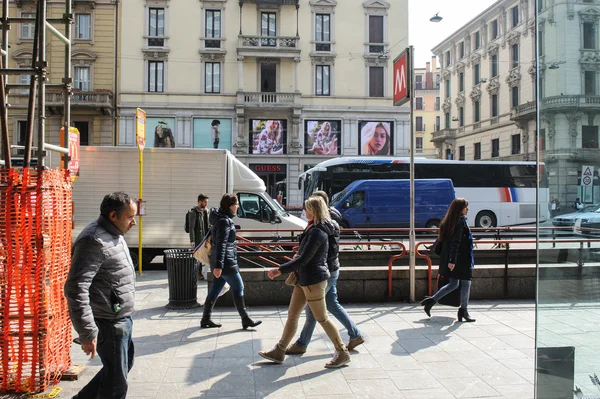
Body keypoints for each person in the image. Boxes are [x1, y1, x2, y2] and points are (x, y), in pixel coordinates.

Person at [259, 196, 351, 368]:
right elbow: (304, 256)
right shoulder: (316, 228)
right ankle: (279, 350)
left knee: (322, 318)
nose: (304, 212)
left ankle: (342, 351)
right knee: (292, 315)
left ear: (314, 210)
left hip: (313, 280)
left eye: (307, 209)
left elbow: (304, 259)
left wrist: (279, 269)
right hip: (304, 279)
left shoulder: (318, 231)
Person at [64, 192, 138, 399]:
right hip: (108, 321)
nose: (134, 222)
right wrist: (87, 333)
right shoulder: (93, 240)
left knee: (121, 367)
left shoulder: (114, 234)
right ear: (113, 215)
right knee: (116, 386)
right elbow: (75, 287)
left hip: (120, 317)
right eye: (130, 217)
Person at [285, 191, 364, 356]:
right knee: (331, 305)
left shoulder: (326, 223)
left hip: (324, 271)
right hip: (330, 268)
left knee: (313, 310)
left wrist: (307, 254)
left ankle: (302, 343)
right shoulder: (326, 220)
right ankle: (355, 335)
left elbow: (325, 249)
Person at [201, 194, 262, 329]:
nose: (238, 206)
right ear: (230, 206)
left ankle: (205, 319)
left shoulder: (220, 219)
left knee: (215, 289)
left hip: (222, 261)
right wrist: (218, 266)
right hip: (226, 262)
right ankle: (245, 319)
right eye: (236, 204)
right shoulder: (225, 221)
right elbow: (222, 243)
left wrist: (217, 264)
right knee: (238, 286)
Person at [421, 198, 476, 323]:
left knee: (454, 284)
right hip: (461, 259)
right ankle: (464, 311)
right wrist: (452, 261)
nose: (468, 209)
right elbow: (455, 243)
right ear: (460, 209)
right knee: (465, 283)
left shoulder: (451, 221)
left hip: (457, 258)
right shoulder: (460, 222)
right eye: (466, 207)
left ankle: (431, 301)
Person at [188, 194, 210, 280]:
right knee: (198, 257)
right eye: (205, 202)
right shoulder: (193, 213)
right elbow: (191, 228)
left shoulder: (206, 212)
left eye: (206, 202)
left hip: (205, 238)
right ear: (199, 202)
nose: (206, 204)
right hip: (198, 239)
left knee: (205, 256)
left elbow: (208, 225)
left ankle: (203, 273)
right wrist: (192, 240)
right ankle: (198, 274)